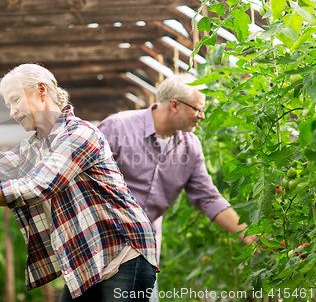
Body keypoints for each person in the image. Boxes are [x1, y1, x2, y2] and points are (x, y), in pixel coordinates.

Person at [0, 64, 159, 301]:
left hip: (123, 252)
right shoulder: (33, 147)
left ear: (41, 90)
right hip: (87, 260)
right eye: (8, 105)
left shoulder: (79, 134)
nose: (12, 112)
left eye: (15, 100)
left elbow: (36, 187)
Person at [97, 74, 257, 298]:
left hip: (143, 251)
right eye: (198, 109)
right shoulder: (117, 128)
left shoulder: (190, 147)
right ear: (174, 105)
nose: (202, 116)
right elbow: (83, 180)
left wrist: (247, 234)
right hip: (100, 244)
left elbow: (208, 198)